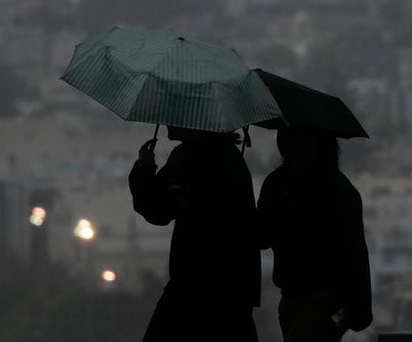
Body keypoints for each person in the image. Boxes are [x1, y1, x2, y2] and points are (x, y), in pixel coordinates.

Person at [129, 126, 261, 342]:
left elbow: (159, 211)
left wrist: (144, 169)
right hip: (234, 287)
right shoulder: (231, 158)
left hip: (193, 282)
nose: (168, 122)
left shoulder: (188, 158)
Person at [258, 128, 372, 342]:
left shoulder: (278, 184)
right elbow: (356, 255)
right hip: (321, 302)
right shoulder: (341, 189)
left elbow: (261, 237)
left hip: (312, 300)